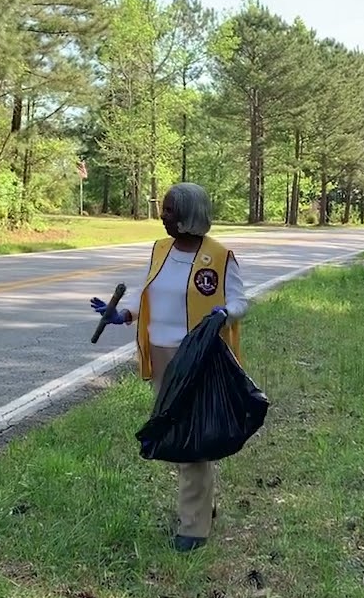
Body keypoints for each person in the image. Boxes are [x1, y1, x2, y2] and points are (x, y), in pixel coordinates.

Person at [90, 182, 249, 552]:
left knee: (191, 438)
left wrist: (225, 313)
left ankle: (194, 526)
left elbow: (241, 301)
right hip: (160, 356)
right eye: (163, 210)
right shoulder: (160, 250)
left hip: (198, 360)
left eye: (170, 211)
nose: (163, 217)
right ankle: (202, 506)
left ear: (190, 215)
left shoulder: (220, 257)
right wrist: (124, 314)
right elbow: (150, 294)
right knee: (177, 434)